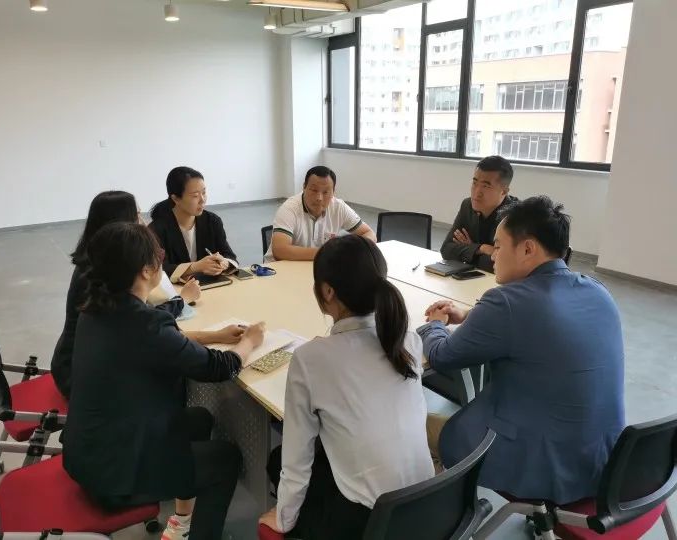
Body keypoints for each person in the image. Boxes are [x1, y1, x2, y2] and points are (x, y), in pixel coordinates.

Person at [62, 222, 266, 540]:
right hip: (114, 476)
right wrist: (250, 341)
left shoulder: (96, 309)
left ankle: (182, 524)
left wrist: (211, 333)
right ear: (146, 270)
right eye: (158, 256)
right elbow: (220, 367)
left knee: (198, 419)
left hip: (89, 453)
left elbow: (155, 329)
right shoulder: (145, 325)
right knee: (224, 458)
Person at [419, 196, 625, 504]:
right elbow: (534, 321)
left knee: (415, 424)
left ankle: (443, 511)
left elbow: (442, 356)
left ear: (528, 249)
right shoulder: (597, 290)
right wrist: (471, 316)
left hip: (541, 464)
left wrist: (434, 325)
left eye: (498, 246)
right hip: (603, 462)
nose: (493, 256)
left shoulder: (506, 303)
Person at [258, 235, 433, 539]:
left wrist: (283, 518)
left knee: (279, 460)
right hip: (427, 502)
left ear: (327, 291)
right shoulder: (407, 339)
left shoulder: (310, 359)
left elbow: (297, 461)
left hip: (368, 523)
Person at [51, 191, 244, 399]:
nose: (143, 223)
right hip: (79, 377)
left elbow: (145, 322)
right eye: (137, 216)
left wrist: (184, 305)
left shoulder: (100, 266)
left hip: (85, 367)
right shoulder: (105, 278)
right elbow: (149, 327)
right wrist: (246, 341)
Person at [264, 166, 376, 262]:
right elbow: (280, 250)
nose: (319, 198)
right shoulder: (289, 209)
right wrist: (326, 253)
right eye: (314, 190)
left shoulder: (339, 207)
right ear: (304, 187)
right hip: (278, 270)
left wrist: (351, 251)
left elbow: (369, 233)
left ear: (333, 192)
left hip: (318, 267)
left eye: (325, 192)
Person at [150, 167, 237, 280]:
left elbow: (230, 256)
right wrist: (196, 267)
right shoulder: (156, 229)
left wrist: (224, 262)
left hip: (210, 285)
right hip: (177, 289)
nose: (202, 200)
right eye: (195, 196)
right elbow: (158, 270)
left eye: (204, 193)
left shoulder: (212, 221)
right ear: (176, 199)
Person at [441, 155, 517, 273]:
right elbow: (446, 250)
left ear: (504, 192)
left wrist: (469, 250)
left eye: (486, 186)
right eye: (475, 183)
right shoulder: (467, 205)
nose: (477, 192)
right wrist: (481, 248)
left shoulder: (515, 215)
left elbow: (504, 265)